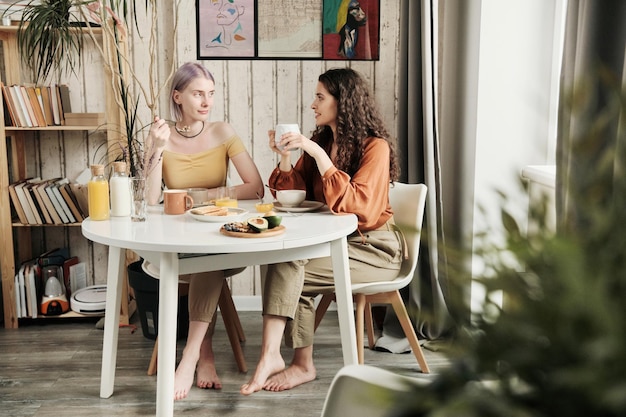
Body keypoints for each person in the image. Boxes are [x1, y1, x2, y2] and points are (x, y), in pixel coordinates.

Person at [240, 67, 402, 395]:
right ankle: (278, 358)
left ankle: (293, 362)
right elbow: (294, 192)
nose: (313, 105)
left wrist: (315, 153)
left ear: (344, 102)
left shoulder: (376, 147)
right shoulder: (324, 140)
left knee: (289, 265)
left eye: (320, 97)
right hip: (337, 243)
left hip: (375, 248)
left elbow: (360, 207)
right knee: (283, 259)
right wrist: (286, 158)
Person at [145, 62, 264, 400]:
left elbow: (256, 189)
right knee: (202, 258)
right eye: (198, 93)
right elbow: (152, 198)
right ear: (178, 96)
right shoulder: (161, 134)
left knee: (209, 255)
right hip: (178, 244)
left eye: (211, 94)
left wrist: (206, 196)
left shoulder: (222, 132)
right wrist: (156, 148)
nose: (206, 101)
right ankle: (205, 354)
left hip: (224, 239)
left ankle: (190, 356)